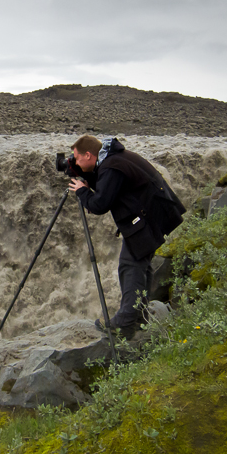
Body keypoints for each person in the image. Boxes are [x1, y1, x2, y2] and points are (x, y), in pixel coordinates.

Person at [67, 135, 186, 339]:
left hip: (148, 218)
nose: (75, 162)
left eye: (77, 158)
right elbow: (108, 186)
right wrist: (86, 178)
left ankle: (125, 323)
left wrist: (82, 192)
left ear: (89, 155)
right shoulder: (114, 159)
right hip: (156, 213)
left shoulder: (111, 167)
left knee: (130, 265)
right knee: (140, 264)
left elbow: (100, 204)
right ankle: (139, 316)